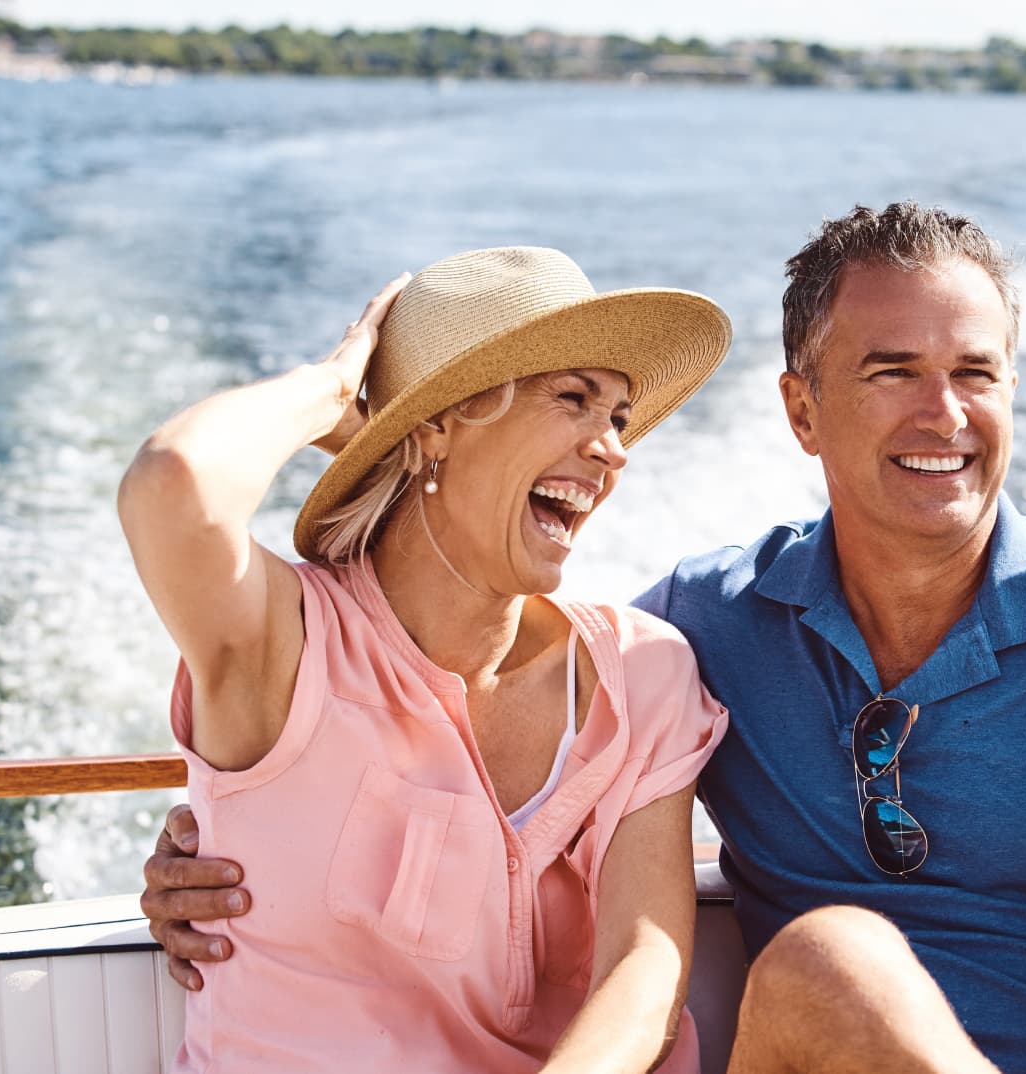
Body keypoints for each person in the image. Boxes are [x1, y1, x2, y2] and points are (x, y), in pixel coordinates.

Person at [141, 205, 1026, 1074]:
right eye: (892, 372)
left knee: (826, 958)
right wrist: (228, 825)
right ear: (799, 410)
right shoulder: (701, 627)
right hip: (817, 1039)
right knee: (826, 962)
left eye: (973, 374)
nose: (942, 415)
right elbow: (372, 672)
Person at [118, 246, 731, 1073]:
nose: (613, 448)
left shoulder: (643, 673)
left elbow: (642, 970)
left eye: (617, 416)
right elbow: (172, 483)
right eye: (573, 399)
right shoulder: (286, 642)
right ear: (437, 426)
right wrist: (337, 392)